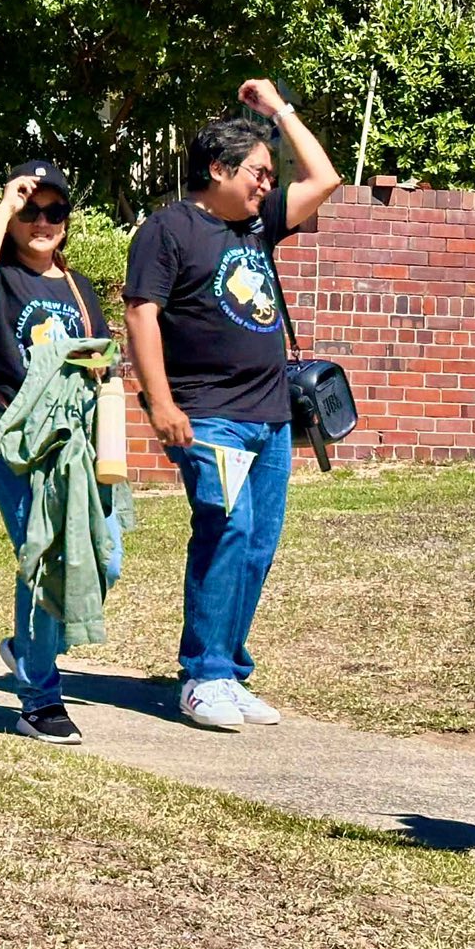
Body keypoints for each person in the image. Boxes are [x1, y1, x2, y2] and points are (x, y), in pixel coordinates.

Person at [124, 82, 341, 731]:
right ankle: (204, 676)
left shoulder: (255, 224)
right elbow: (141, 315)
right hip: (207, 412)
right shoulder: (167, 229)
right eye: (258, 172)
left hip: (269, 417)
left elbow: (325, 178)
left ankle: (228, 668)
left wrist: (279, 112)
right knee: (228, 528)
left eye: (271, 176)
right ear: (218, 169)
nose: (267, 185)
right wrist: (161, 403)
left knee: (257, 544)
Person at [0, 159, 116, 745]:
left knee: (104, 558)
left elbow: (99, 362)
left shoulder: (79, 287)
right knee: (47, 558)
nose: (42, 221)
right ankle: (39, 700)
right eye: (31, 211)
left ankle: (28, 645)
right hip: (14, 445)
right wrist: (5, 204)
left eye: (54, 211)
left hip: (73, 446)